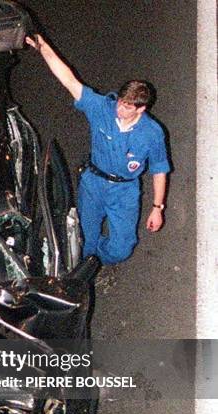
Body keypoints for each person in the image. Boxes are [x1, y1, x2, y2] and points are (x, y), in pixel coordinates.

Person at [25, 34, 171, 265]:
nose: (119, 109)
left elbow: (159, 170)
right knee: (85, 241)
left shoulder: (152, 133)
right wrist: (43, 48)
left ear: (141, 108)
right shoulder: (103, 108)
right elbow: (69, 80)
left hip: (125, 191)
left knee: (121, 249)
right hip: (93, 184)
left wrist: (157, 207)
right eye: (120, 102)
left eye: (127, 107)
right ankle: (84, 267)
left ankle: (98, 257)